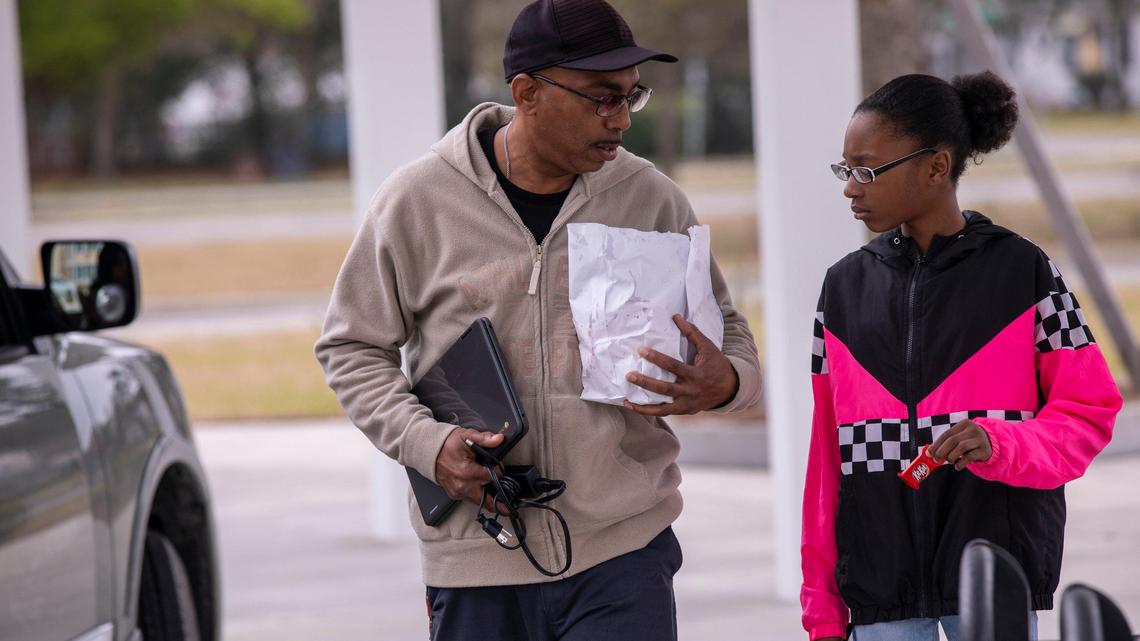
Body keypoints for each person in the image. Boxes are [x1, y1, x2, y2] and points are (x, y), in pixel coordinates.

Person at [314, 1, 762, 639]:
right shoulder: (416, 200)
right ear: (526, 92)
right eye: (601, 98)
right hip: (476, 559)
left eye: (631, 98)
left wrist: (729, 381)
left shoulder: (651, 196)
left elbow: (726, 328)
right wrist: (425, 442)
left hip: (622, 553)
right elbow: (351, 347)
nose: (620, 120)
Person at [800, 71, 1123, 641]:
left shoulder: (1024, 274)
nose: (851, 187)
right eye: (845, 170)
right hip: (879, 589)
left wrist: (1001, 442)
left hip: (993, 576)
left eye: (867, 170)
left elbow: (1088, 412)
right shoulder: (842, 290)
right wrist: (822, 609)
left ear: (936, 167)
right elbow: (826, 461)